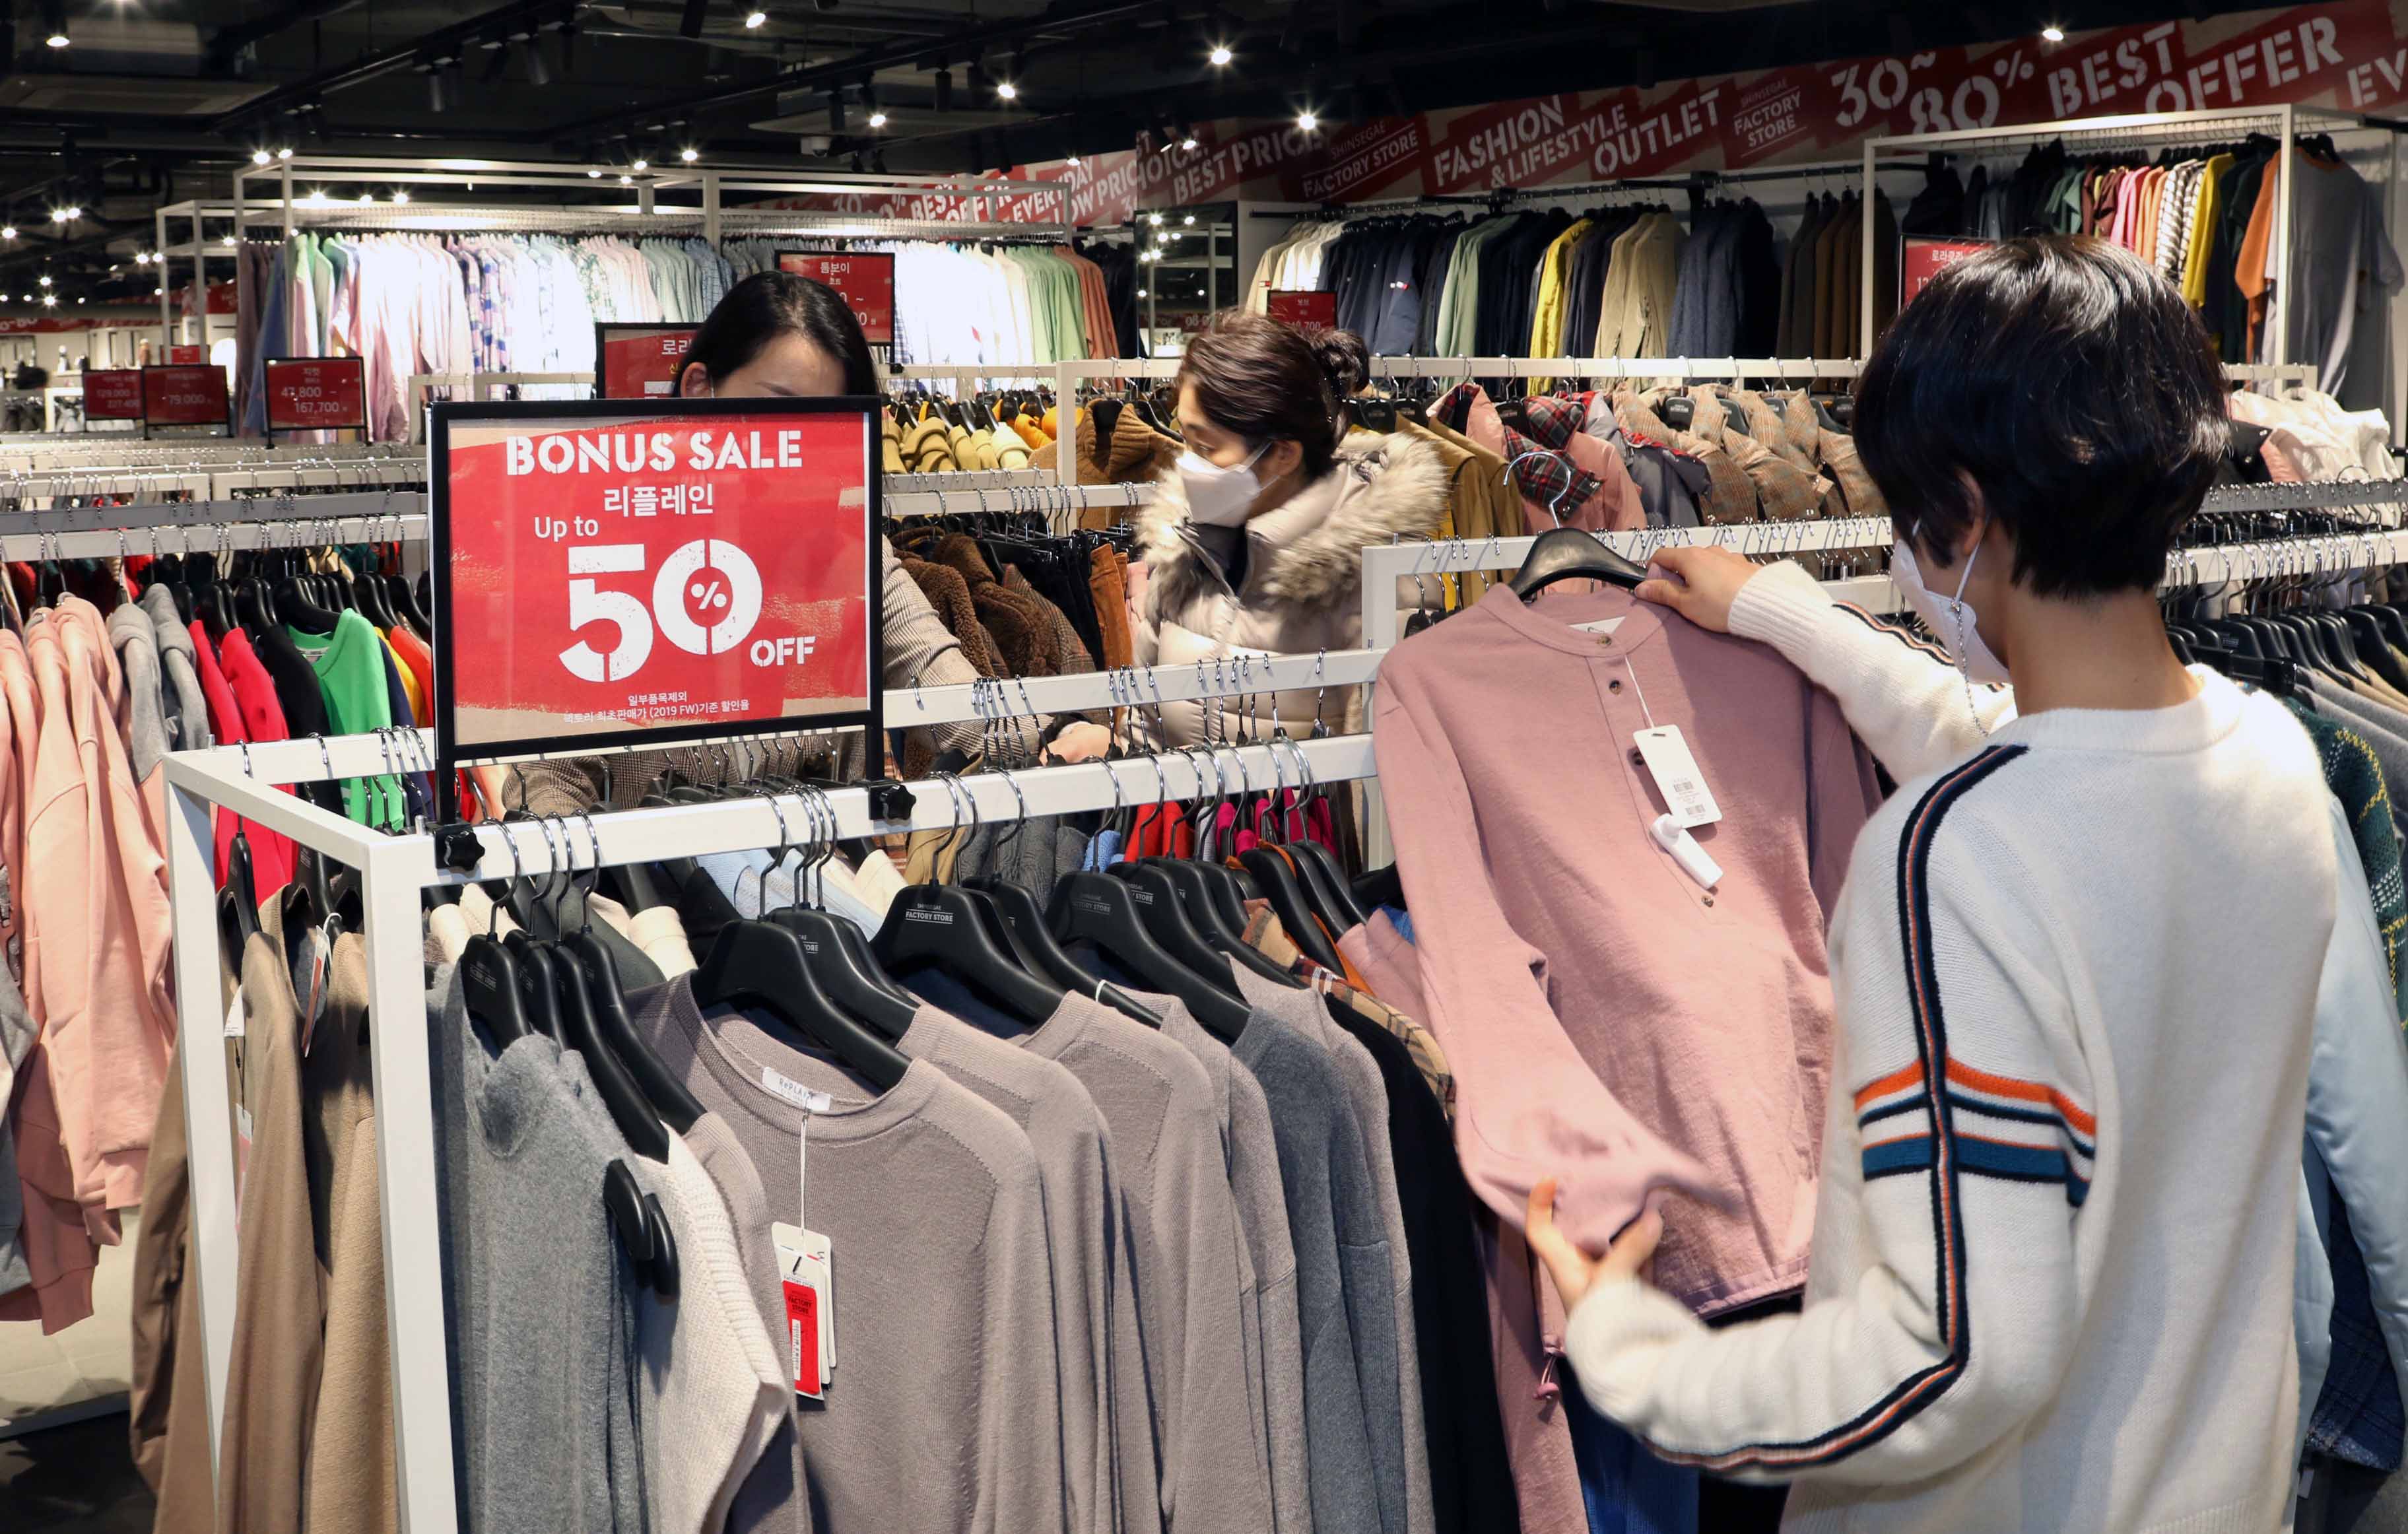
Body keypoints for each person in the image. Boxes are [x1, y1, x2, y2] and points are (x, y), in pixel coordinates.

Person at [1523, 236, 2343, 1531]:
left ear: (1961, 507)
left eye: (1906, 513)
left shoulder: (1949, 858)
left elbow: (1950, 1356)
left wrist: (1637, 1354)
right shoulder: (2272, 762)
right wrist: (1783, 612)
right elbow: (2016, 752)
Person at [508, 271, 1039, 815]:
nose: (795, 444)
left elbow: (948, 689)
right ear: (699, 388)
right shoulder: (605, 556)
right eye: (778, 409)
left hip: (828, 868)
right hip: (651, 870)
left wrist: (1057, 736)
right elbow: (549, 778)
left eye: (823, 423)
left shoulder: (849, 555)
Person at [1123, 313, 1447, 747]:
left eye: (1205, 447)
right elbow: (1143, 722)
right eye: (1184, 439)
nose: (1186, 464)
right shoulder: (1185, 549)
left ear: (1283, 454)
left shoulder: (1379, 578)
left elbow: (1392, 764)